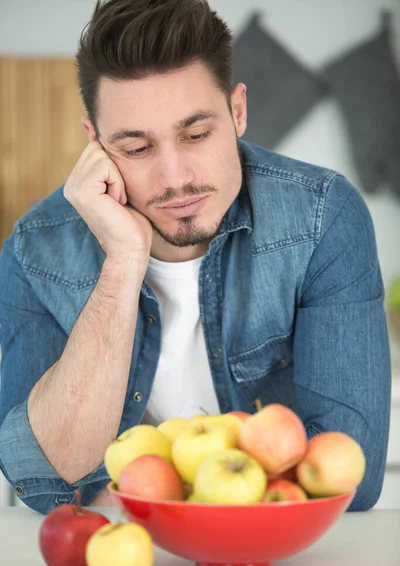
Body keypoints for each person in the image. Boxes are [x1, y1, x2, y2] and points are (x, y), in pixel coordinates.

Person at [0, 0, 391, 515]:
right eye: (137, 148)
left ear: (238, 111)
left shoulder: (322, 218)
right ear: (95, 143)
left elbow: (351, 478)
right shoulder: (36, 248)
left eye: (196, 134)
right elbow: (43, 481)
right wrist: (122, 263)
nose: (175, 178)